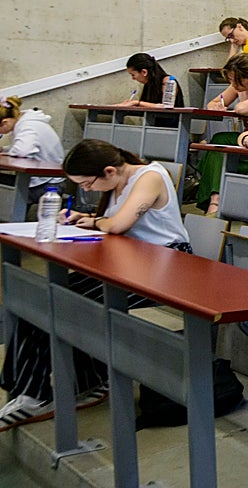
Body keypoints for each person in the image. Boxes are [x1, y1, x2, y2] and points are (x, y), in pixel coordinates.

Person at [0, 139, 191, 430]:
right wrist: (86, 218)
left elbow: (117, 225)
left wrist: (97, 221)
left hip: (165, 269)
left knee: (57, 303)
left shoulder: (150, 176)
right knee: (43, 298)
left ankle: (37, 394)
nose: (87, 190)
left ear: (109, 171)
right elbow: (114, 221)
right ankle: (62, 384)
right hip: (130, 264)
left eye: (87, 183)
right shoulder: (117, 181)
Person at [197, 53, 248, 214]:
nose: (233, 85)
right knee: (217, 145)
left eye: (237, 80)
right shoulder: (238, 85)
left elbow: (244, 108)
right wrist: (217, 106)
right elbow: (213, 103)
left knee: (220, 143)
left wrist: (228, 107)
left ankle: (214, 201)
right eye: (230, 80)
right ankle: (215, 199)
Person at [0, 96, 65, 213]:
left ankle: (13, 219)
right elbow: (24, 148)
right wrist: (3, 150)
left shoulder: (28, 126)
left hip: (47, 184)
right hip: (41, 179)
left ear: (5, 123)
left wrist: (7, 153)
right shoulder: (25, 122)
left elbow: (22, 152)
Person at [120, 53, 185, 107]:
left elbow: (166, 106)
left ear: (144, 72)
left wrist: (137, 103)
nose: (133, 78)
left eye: (133, 75)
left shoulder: (168, 81)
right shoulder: (149, 83)